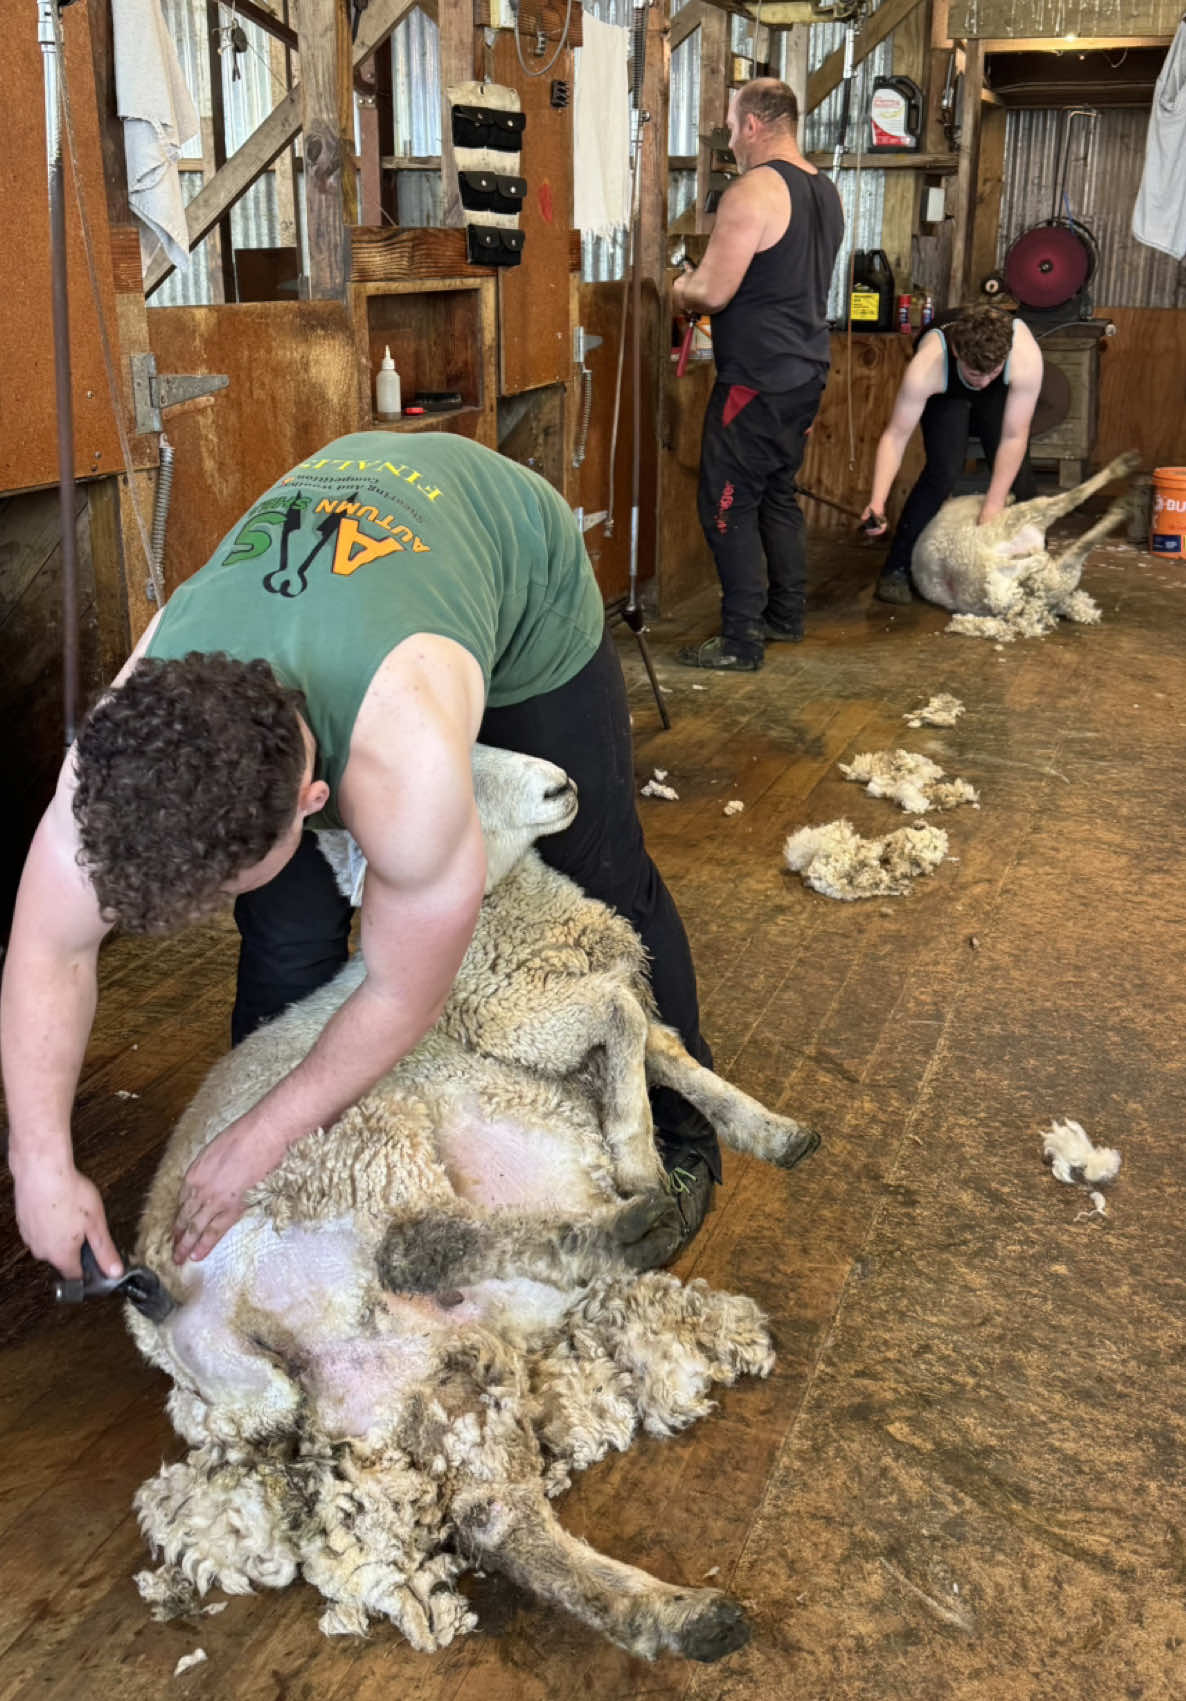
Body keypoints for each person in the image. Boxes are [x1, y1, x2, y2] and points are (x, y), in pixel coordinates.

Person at [1, 432, 720, 1283]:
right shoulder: (118, 752)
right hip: (347, 544)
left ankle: (684, 1137)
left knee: (598, 874)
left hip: (514, 563)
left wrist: (258, 1138)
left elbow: (399, 988)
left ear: (315, 805)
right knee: (282, 933)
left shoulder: (401, 765)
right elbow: (50, 946)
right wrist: (40, 1162)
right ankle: (301, 1181)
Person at [671, 78, 844, 672]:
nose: (730, 137)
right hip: (805, 369)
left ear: (752, 124)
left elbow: (713, 292)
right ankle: (785, 616)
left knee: (726, 502)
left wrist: (678, 288)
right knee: (776, 493)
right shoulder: (825, 189)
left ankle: (741, 640)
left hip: (757, 377)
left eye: (730, 123)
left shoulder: (753, 191)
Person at [863, 304, 1044, 603]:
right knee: (943, 470)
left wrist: (994, 504)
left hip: (998, 390)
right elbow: (895, 437)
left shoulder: (1025, 360)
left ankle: (1035, 567)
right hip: (947, 390)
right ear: (958, 352)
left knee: (1019, 478)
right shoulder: (927, 367)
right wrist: (877, 502)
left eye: (992, 373)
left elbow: (1014, 436)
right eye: (976, 374)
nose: (982, 382)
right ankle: (895, 569)